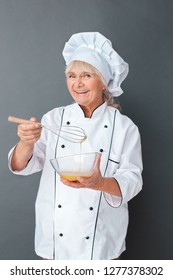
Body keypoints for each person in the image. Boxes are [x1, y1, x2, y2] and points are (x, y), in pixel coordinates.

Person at [8, 32, 143, 260]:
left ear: (103, 81)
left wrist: (100, 183)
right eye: (71, 76)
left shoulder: (124, 127)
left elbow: (132, 181)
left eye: (86, 75)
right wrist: (26, 142)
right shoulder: (53, 119)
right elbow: (21, 165)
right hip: (55, 241)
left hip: (100, 241)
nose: (77, 83)